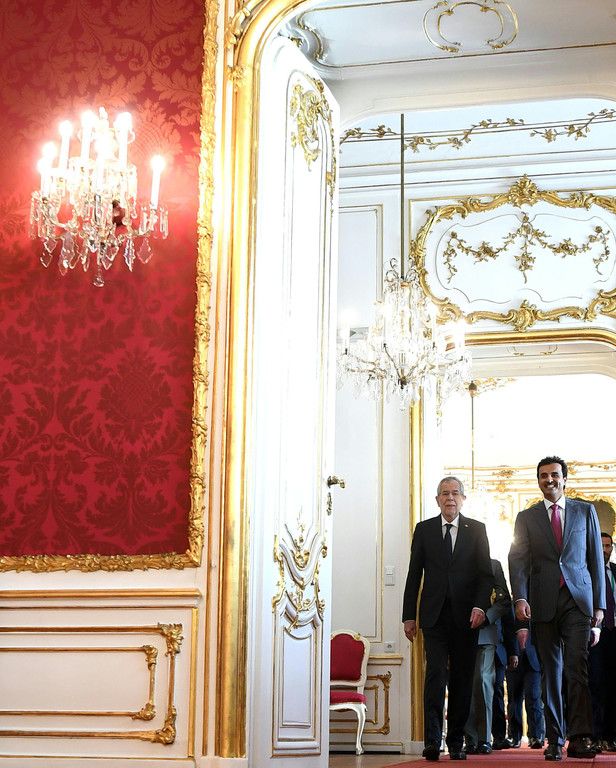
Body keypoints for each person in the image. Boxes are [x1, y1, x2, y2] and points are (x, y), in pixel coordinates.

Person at [508, 456, 605, 761]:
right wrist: (520, 598)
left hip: (578, 602)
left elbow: (595, 559)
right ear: (538, 481)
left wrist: (600, 606)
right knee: (551, 673)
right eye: (543, 476)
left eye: (553, 475)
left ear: (565, 479)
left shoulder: (585, 511)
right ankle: (554, 738)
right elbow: (518, 560)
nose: (548, 480)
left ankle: (580, 737)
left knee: (577, 668)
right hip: (543, 602)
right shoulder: (526, 517)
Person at [402, 476, 493, 761]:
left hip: (467, 618)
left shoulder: (476, 529)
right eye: (444, 493)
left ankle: (456, 741)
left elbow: (485, 575)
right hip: (434, 616)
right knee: (436, 675)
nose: (450, 498)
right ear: (437, 499)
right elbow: (414, 574)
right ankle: (432, 741)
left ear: (463, 499)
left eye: (455, 493)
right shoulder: (424, 529)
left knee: (462, 680)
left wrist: (480, 607)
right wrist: (408, 616)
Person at [464, 558, 512, 755]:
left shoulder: (493, 565)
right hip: (460, 633)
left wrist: (487, 616)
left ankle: (484, 738)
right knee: (465, 686)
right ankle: (470, 738)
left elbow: (504, 601)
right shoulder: (453, 562)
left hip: (485, 633)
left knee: (483, 682)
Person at [588, 532, 616, 752]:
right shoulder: (587, 572)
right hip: (595, 635)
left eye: (608, 546)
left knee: (614, 685)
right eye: (602, 546)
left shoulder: (615, 571)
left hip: (615, 633)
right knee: (596, 684)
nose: (605, 550)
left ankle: (611, 735)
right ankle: (596, 736)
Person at [506, 622, 545, 749]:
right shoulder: (509, 609)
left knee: (533, 696)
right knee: (514, 698)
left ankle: (536, 736)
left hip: (533, 656)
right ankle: (515, 736)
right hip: (513, 654)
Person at [491, 603, 518, 750]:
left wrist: (513, 652)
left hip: (499, 649)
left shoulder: (502, 595)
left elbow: (509, 625)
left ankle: (499, 736)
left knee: (497, 691)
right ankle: (474, 738)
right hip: (477, 646)